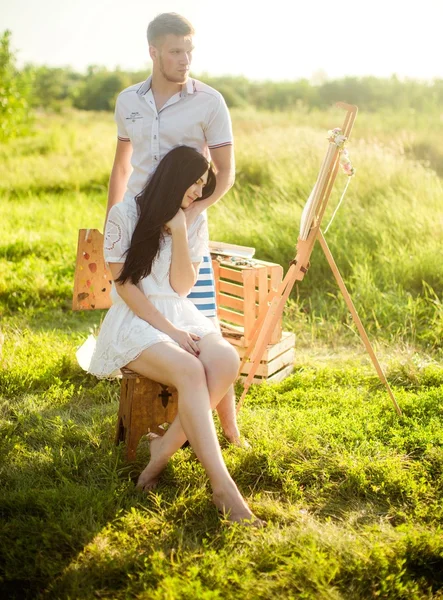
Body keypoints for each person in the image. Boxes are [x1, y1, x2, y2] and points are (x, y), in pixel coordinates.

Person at [89, 146, 262, 526]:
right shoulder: (126, 213)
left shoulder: (194, 219)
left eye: (204, 184)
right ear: (174, 177)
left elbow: (182, 289)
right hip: (135, 318)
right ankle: (223, 489)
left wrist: (181, 231)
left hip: (179, 311)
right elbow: (125, 287)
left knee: (225, 360)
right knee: (189, 370)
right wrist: (170, 332)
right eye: (195, 182)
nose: (199, 192)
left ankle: (163, 449)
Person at [106, 12, 243, 446]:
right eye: (175, 51)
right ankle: (194, 436)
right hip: (137, 229)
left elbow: (225, 172)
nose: (185, 60)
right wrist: (114, 228)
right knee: (163, 327)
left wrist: (188, 216)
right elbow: (123, 165)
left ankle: (228, 432)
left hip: (184, 233)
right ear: (153, 52)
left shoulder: (209, 102)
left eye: (190, 50)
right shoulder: (128, 100)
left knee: (205, 332)